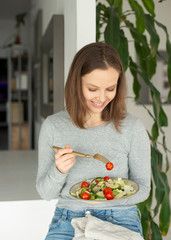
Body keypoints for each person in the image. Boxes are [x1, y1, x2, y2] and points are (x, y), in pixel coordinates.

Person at [36, 42, 151, 240]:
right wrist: (59, 170)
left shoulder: (132, 127)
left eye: (110, 89)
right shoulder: (53, 126)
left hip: (120, 218)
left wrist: (107, 197)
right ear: (76, 83)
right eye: (92, 88)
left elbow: (144, 189)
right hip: (68, 219)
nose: (101, 97)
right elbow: (46, 193)